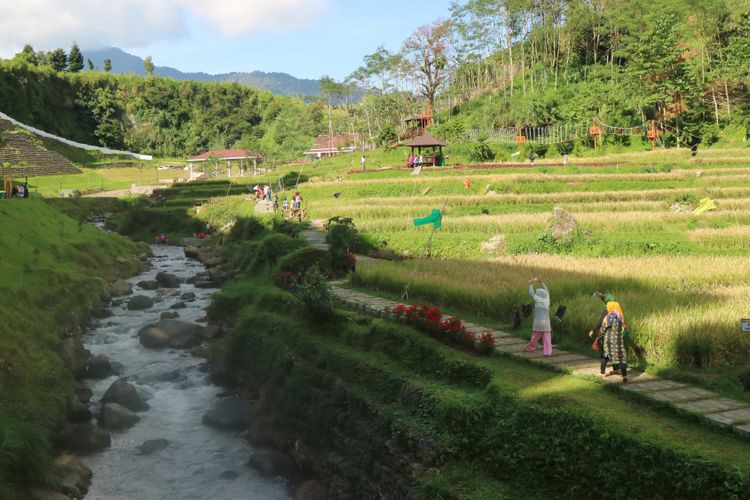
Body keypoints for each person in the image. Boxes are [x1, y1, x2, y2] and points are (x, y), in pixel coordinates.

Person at [601, 301, 627, 382]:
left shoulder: (608, 317)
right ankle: (624, 376)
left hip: (608, 340)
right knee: (621, 358)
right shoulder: (620, 316)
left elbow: (603, 329)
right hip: (619, 340)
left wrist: (602, 333)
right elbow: (624, 328)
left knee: (605, 356)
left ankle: (602, 373)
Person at [525, 278, 552, 356]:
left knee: (536, 335)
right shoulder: (547, 299)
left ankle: (531, 347)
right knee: (547, 337)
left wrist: (531, 283)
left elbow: (531, 292)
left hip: (538, 322)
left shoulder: (537, 299)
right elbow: (547, 290)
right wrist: (542, 282)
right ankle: (547, 352)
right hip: (546, 322)